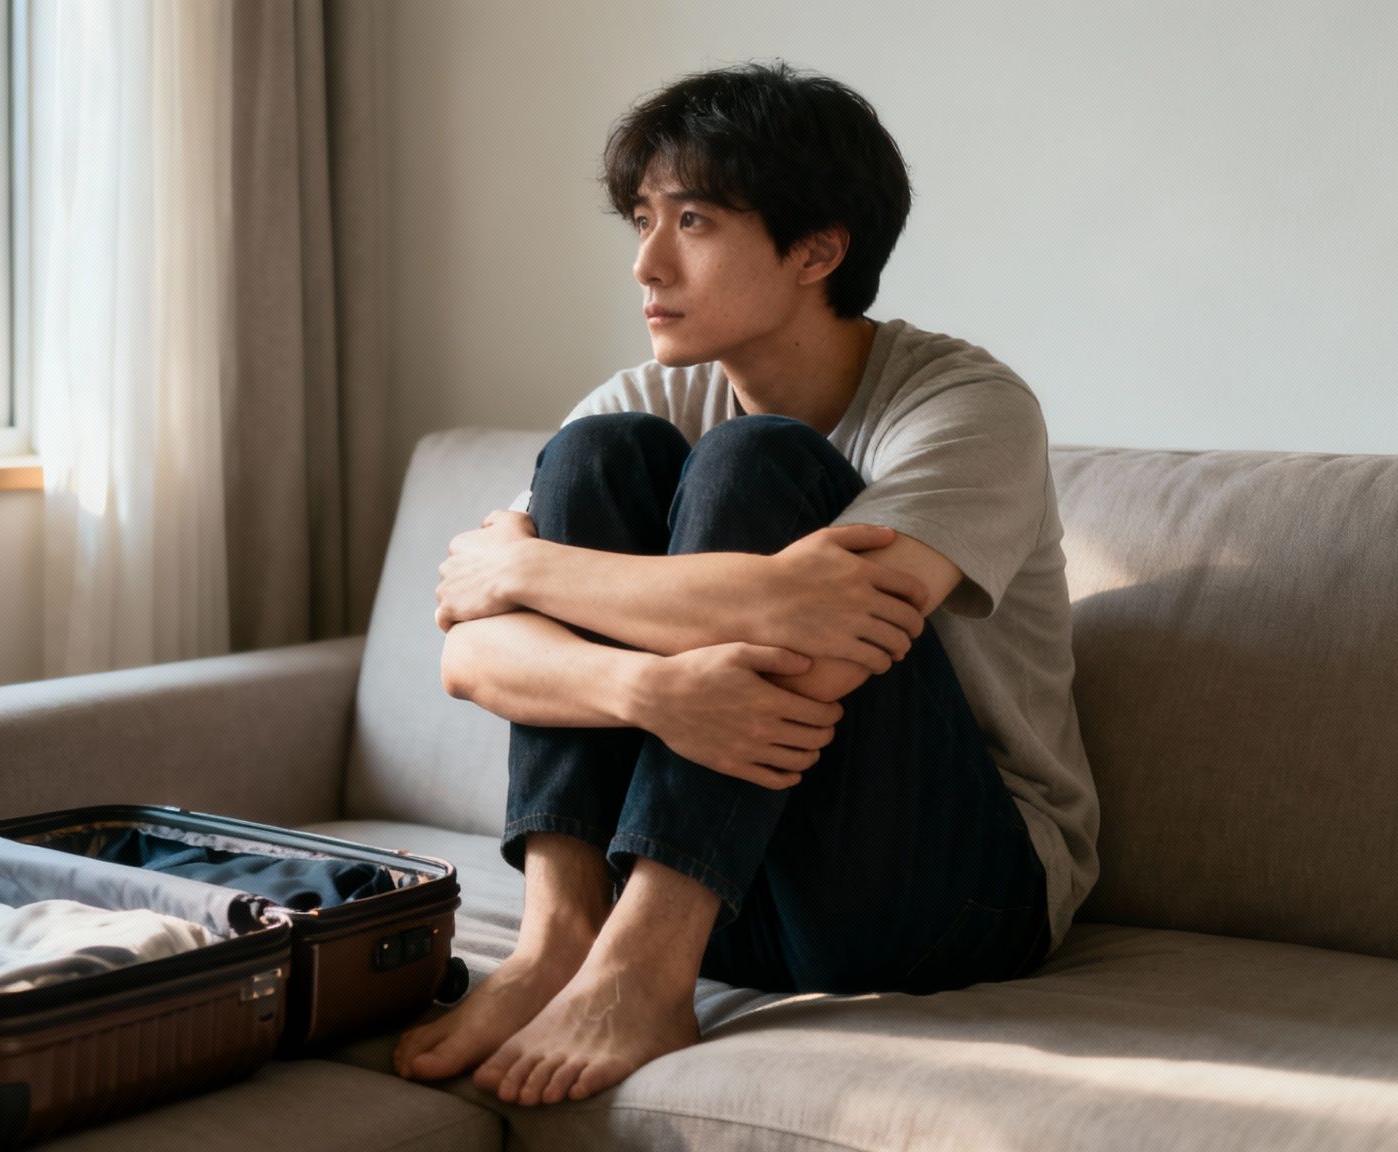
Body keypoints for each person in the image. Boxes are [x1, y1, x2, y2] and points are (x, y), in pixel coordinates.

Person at [389, 60, 1099, 1108]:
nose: (646, 262)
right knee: (596, 458)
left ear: (816, 250)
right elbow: (471, 655)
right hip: (732, 886)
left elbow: (823, 638)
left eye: (693, 221)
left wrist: (530, 570)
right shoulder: (640, 398)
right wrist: (648, 689)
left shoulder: (966, 407)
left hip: (949, 899)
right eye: (642, 220)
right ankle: (561, 938)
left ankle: (643, 968)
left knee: (753, 463)